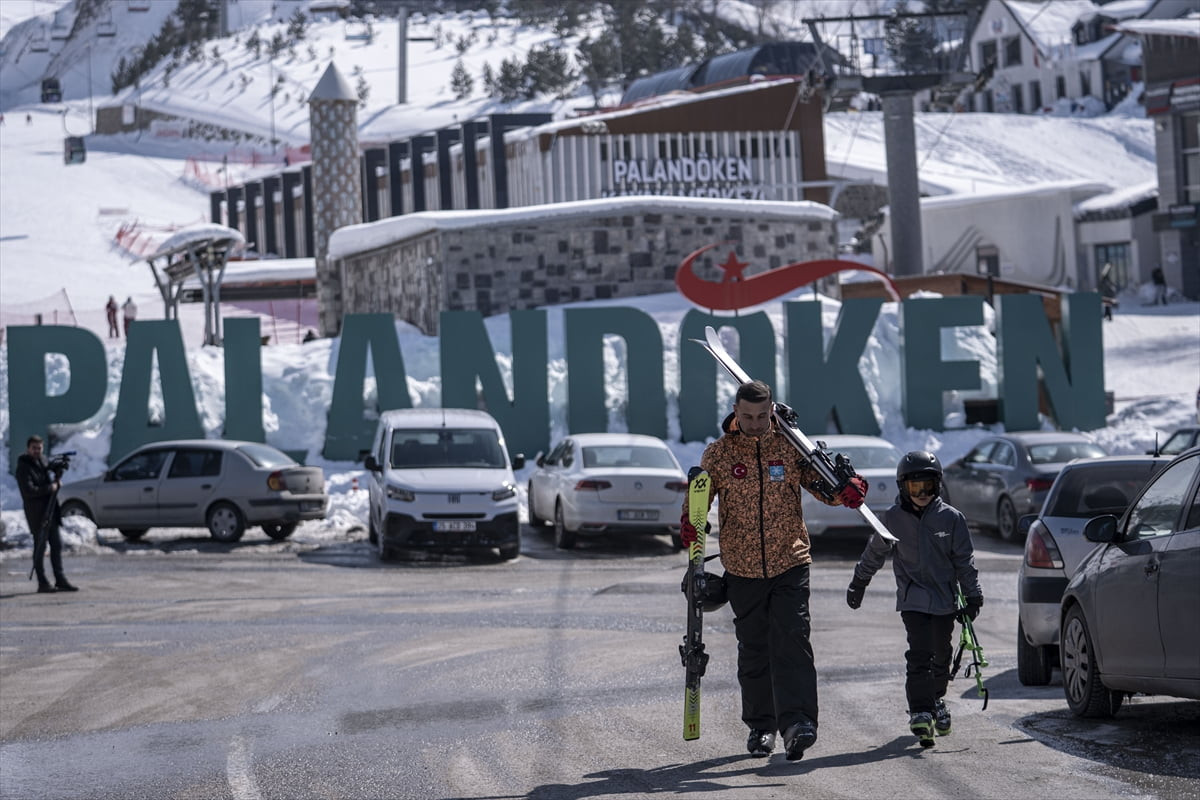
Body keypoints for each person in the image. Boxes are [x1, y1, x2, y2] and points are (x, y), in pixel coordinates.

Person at [680, 380, 867, 761]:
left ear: (771, 412)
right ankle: (761, 727)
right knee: (755, 650)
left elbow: (823, 486)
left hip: (790, 561)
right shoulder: (719, 453)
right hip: (742, 567)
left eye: (762, 416)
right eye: (748, 416)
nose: (755, 423)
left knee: (793, 642)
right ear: (736, 411)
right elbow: (699, 499)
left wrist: (846, 490)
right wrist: (689, 521)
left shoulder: (790, 446)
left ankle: (798, 724)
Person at [845, 451, 982, 747]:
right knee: (920, 654)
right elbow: (874, 553)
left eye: (928, 487)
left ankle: (936, 700)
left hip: (944, 600)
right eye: (915, 487)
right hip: (913, 599)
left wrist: (973, 596)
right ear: (903, 487)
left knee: (941, 655)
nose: (922, 494)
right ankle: (920, 710)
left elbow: (964, 561)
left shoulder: (951, 518)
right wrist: (859, 582)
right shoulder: (892, 519)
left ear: (938, 486)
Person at [15, 435, 78, 594]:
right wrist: (50, 488)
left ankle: (60, 579)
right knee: (40, 547)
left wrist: (58, 469)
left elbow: (50, 468)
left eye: (39, 448)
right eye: (34, 448)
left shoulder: (42, 461)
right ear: (28, 449)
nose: (37, 451)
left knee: (56, 545)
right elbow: (28, 491)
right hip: (37, 514)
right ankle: (42, 582)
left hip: (51, 511)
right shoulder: (23, 467)